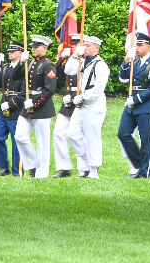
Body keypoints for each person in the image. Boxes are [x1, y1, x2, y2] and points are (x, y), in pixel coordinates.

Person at [118, 32, 150, 179]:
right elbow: (124, 77)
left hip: (146, 105)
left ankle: (146, 172)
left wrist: (136, 99)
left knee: (146, 140)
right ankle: (139, 165)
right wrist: (126, 60)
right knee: (123, 133)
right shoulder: (135, 62)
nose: (137, 48)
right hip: (131, 105)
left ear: (149, 47)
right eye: (136, 45)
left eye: (140, 45)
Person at [14, 35, 58, 179]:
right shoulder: (30, 62)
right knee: (20, 137)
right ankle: (33, 164)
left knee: (43, 143)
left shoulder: (48, 65)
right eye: (33, 46)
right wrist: (21, 62)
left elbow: (49, 89)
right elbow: (15, 76)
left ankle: (42, 174)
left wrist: (35, 102)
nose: (33, 48)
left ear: (44, 48)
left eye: (37, 46)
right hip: (27, 106)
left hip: (42, 107)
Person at [66, 35, 109, 179]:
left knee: (92, 138)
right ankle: (85, 162)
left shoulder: (100, 64)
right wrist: (75, 55)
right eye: (84, 45)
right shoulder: (81, 60)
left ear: (96, 48)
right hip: (80, 105)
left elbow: (98, 88)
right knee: (72, 135)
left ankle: (93, 170)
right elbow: (68, 71)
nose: (85, 47)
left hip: (93, 106)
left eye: (88, 45)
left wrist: (84, 97)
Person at [0, 41, 26, 176]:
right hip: (3, 107)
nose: (10, 53)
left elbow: (24, 93)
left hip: (16, 109)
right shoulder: (5, 67)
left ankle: (18, 169)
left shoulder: (25, 69)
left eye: (13, 51)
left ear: (20, 53)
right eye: (9, 51)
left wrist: (11, 104)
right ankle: (3, 167)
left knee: (16, 139)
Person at [52, 36, 82, 178]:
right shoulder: (70, 62)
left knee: (79, 136)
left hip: (80, 101)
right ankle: (64, 168)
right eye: (73, 45)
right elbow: (52, 74)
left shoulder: (86, 61)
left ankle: (86, 166)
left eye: (77, 45)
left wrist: (75, 95)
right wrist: (61, 59)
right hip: (67, 102)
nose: (73, 47)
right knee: (58, 132)